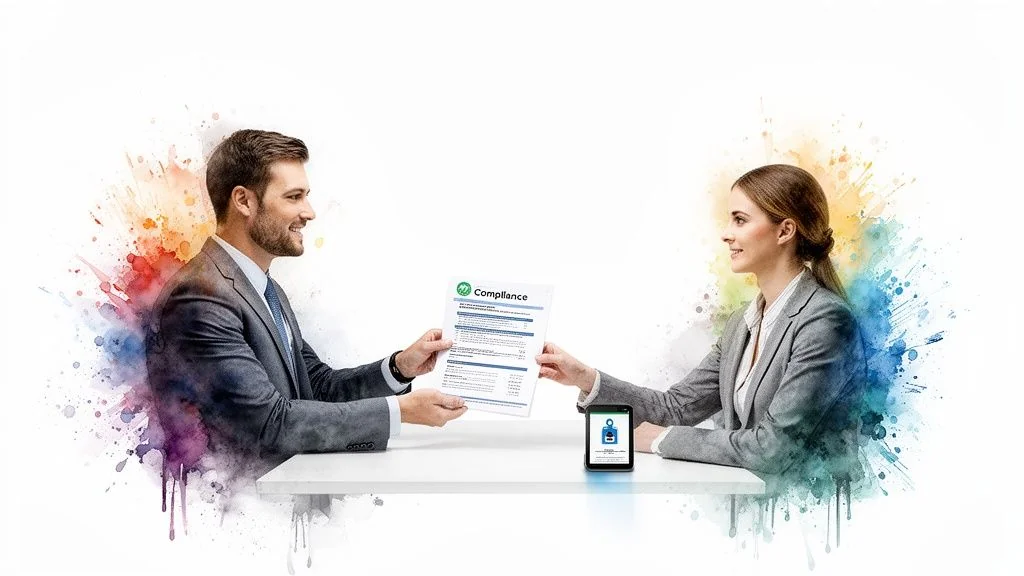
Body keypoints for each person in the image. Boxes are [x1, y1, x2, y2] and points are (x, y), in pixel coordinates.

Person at [145, 129, 468, 475]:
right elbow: (270, 424)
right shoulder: (200, 298)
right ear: (244, 201)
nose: (309, 212)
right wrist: (400, 412)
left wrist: (399, 368)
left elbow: (315, 389)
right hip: (233, 512)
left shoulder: (264, 289)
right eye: (294, 197)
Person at [536, 164, 865, 482]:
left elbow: (773, 448)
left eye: (740, 220)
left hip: (812, 516)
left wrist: (662, 440)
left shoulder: (825, 322)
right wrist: (584, 378)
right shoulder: (743, 323)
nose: (726, 234)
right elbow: (676, 408)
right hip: (754, 509)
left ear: (785, 231)